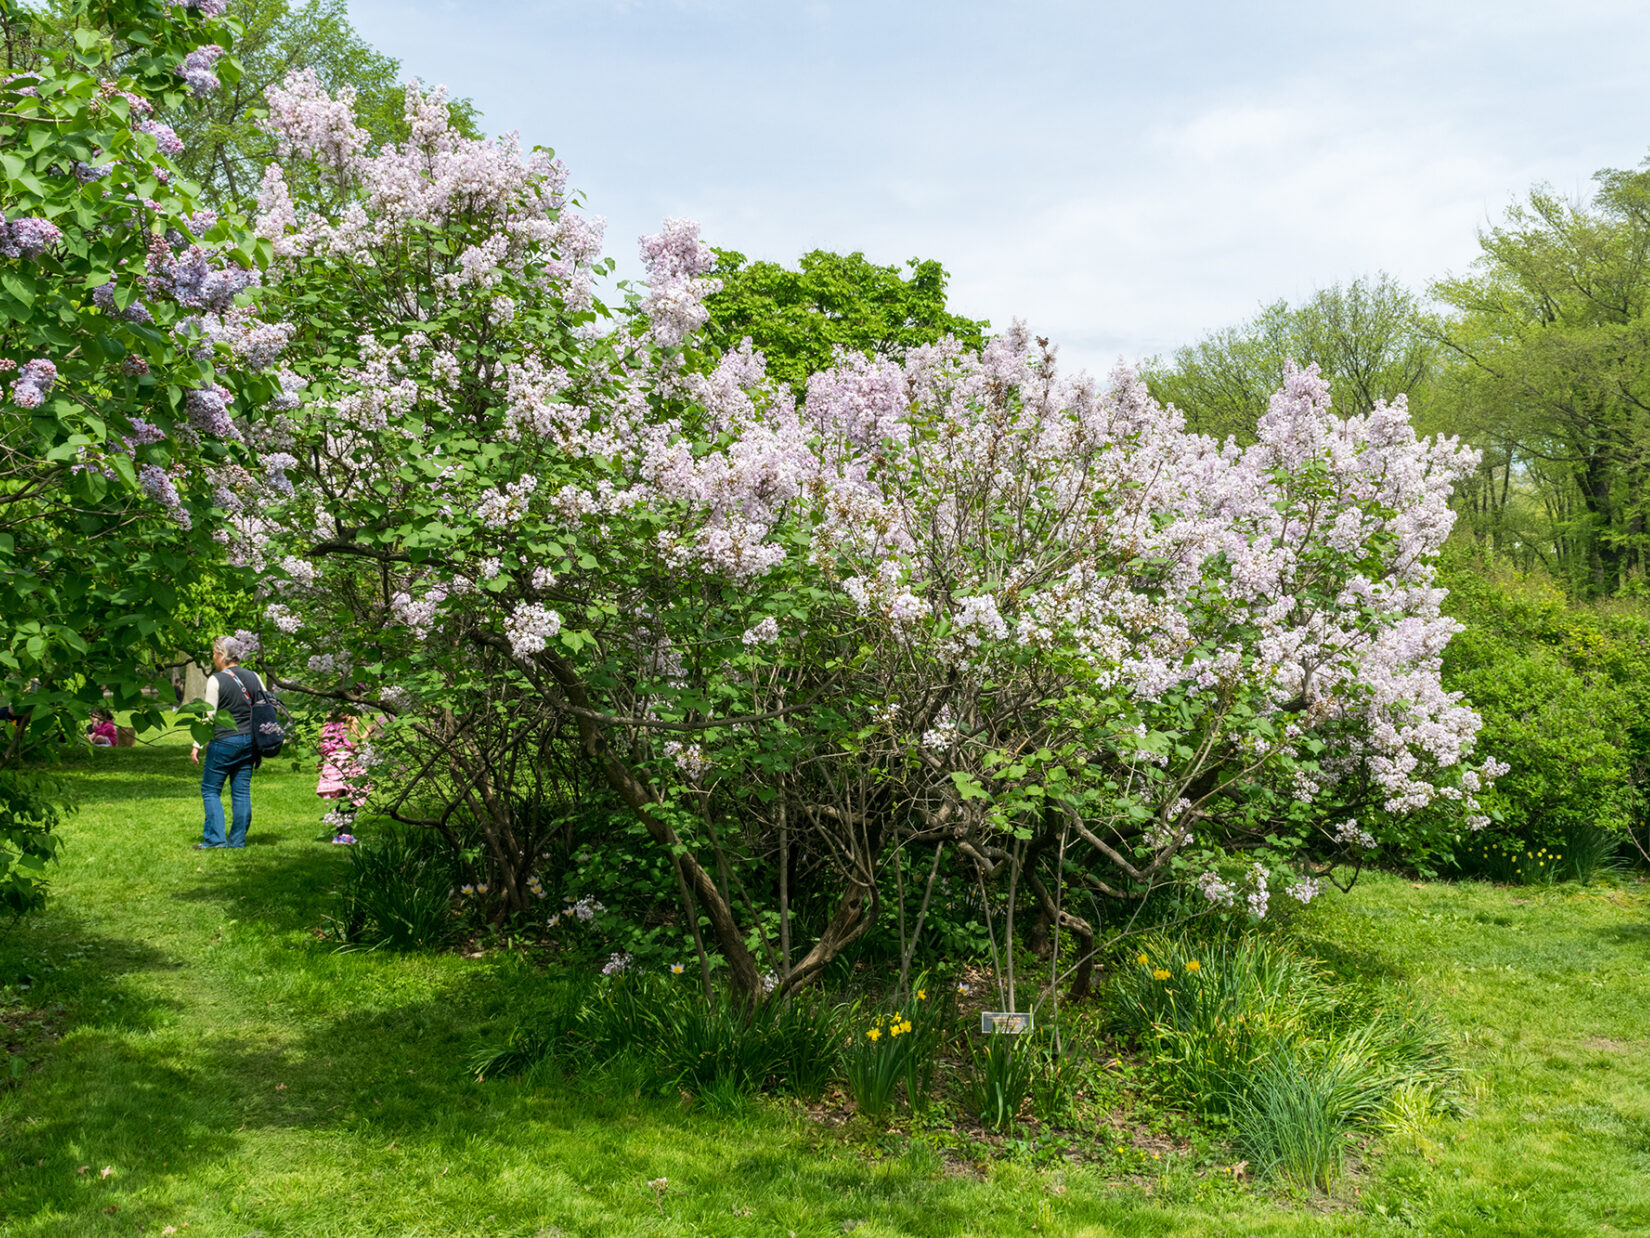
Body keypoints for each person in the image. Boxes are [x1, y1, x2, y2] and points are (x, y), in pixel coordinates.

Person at [190, 635, 270, 850]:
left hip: (224, 740)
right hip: (250, 742)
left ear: (221, 654)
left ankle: (215, 839)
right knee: (241, 791)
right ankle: (237, 841)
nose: (213, 658)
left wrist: (197, 744)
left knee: (210, 790)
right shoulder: (255, 677)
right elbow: (266, 707)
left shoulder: (217, 679)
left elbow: (209, 716)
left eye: (214, 653)